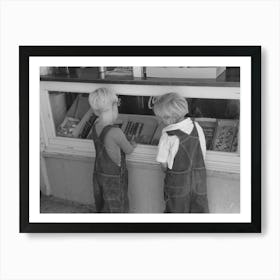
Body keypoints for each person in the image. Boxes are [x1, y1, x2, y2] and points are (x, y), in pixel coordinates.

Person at [153, 92, 209, 213]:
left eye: (162, 117)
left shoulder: (167, 135)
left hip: (177, 184)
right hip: (198, 180)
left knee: (176, 212)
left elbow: (163, 164)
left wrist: (171, 173)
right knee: (198, 209)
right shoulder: (197, 126)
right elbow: (202, 153)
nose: (161, 121)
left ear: (171, 117)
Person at [88, 88, 136, 213]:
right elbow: (129, 150)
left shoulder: (95, 125)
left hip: (98, 172)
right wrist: (132, 143)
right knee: (117, 204)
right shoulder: (115, 132)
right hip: (114, 176)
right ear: (114, 107)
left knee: (103, 202)